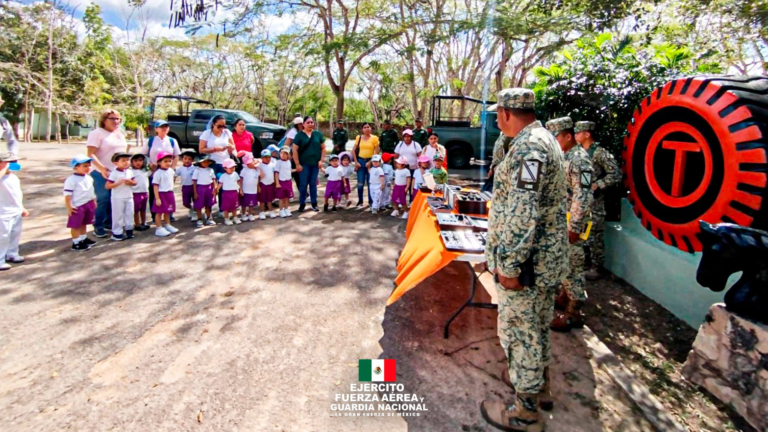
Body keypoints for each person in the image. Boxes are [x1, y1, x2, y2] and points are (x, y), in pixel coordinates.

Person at [480, 88, 568, 431]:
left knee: (520, 332)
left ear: (504, 113)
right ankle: (537, 385)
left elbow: (521, 212)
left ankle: (525, 412)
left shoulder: (529, 148)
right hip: (544, 261)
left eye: (496, 115)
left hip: (527, 266)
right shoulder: (544, 139)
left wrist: (510, 267)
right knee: (537, 327)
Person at [547, 117, 594, 333]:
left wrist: (574, 226)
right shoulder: (565, 155)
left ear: (567, 136)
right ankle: (564, 298)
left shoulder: (580, 160)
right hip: (562, 219)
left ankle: (573, 314)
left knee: (573, 268)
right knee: (564, 265)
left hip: (572, 223)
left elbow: (583, 196)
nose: (554, 141)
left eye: (556, 137)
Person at [575, 121, 621, 280]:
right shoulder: (578, 152)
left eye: (578, 132)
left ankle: (596, 267)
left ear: (587, 134)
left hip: (595, 202)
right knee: (580, 233)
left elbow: (615, 173)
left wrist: (599, 184)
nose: (575, 135)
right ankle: (585, 262)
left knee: (595, 235)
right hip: (580, 200)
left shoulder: (600, 153)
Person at [86, 109, 129, 238]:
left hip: (118, 172)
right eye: (112, 118)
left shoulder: (120, 133)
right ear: (104, 120)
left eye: (118, 119)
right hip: (101, 172)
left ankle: (109, 223)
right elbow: (90, 153)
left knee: (114, 198)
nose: (116, 121)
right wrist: (102, 168)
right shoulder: (97, 133)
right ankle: (98, 225)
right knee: (103, 198)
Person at [291, 116, 326, 212]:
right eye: (308, 122)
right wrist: (297, 164)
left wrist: (321, 161)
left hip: (315, 164)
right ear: (303, 124)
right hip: (304, 165)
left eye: (312, 122)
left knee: (313, 184)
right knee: (303, 185)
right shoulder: (299, 136)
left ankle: (314, 204)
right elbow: (294, 150)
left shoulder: (318, 134)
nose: (311, 124)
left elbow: (323, 148)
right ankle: (302, 204)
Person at [64, 155, 98, 252]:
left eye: (89, 165)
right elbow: (67, 194)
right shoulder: (71, 180)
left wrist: (93, 201)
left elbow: (91, 191)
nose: (88, 168)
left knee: (84, 223)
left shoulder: (89, 178)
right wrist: (69, 206)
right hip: (77, 206)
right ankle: (76, 243)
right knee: (76, 225)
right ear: (76, 167)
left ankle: (83, 238)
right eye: (85, 166)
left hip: (88, 203)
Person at [0, 153, 27, 270]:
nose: (13, 165)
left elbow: (16, 195)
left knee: (15, 233)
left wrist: (21, 207)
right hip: (3, 213)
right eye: (10, 162)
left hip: (15, 211)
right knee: (3, 236)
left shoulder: (14, 178)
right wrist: (4, 169)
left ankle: (12, 253)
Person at [105, 153, 136, 241]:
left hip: (129, 196)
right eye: (123, 161)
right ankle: (117, 233)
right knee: (117, 215)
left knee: (129, 213)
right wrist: (118, 182)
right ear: (116, 163)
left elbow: (135, 182)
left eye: (127, 160)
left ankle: (129, 229)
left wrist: (130, 182)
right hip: (117, 197)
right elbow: (107, 186)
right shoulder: (114, 173)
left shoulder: (129, 171)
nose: (126, 162)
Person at [351, 122, 380, 209]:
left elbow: (377, 151)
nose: (367, 128)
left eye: (368, 127)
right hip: (360, 161)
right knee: (360, 183)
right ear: (362, 129)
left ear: (371, 128)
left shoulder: (374, 138)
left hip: (370, 162)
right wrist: (356, 162)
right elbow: (353, 150)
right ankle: (360, 201)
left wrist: (371, 162)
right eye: (365, 127)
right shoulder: (358, 138)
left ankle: (371, 202)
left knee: (370, 182)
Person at [151, 152, 178, 238]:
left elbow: (172, 179)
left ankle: (167, 225)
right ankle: (158, 228)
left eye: (169, 161)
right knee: (159, 212)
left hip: (169, 193)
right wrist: (157, 198)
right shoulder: (158, 173)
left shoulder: (171, 171)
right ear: (159, 162)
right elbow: (155, 186)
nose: (168, 163)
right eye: (165, 161)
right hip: (161, 194)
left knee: (168, 211)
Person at [394, 129, 422, 201]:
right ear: (403, 137)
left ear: (411, 137)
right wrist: (396, 167)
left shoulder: (416, 145)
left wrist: (420, 167)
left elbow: (420, 156)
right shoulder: (400, 145)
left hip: (413, 169)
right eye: (405, 136)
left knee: (412, 186)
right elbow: (396, 156)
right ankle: (401, 201)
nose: (407, 138)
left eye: (409, 136)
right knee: (403, 185)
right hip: (402, 169)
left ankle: (411, 201)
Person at [192, 156, 218, 227]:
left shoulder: (211, 170)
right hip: (200, 188)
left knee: (209, 204)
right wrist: (195, 192)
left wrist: (214, 188)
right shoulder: (197, 170)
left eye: (207, 161)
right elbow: (194, 182)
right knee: (199, 205)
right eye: (204, 161)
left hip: (209, 188)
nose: (206, 163)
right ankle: (199, 219)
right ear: (200, 162)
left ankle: (209, 218)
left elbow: (213, 180)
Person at [217, 159, 242, 225]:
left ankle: (235, 217)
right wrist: (216, 190)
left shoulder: (235, 174)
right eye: (230, 167)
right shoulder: (223, 176)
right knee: (226, 207)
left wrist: (240, 189)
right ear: (225, 168)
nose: (232, 169)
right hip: (226, 193)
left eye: (233, 167)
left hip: (234, 193)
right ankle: (226, 218)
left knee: (234, 206)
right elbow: (220, 184)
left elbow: (238, 182)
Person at [130, 154, 151, 231]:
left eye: (140, 160)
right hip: (135, 192)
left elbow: (152, 168)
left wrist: (150, 165)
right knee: (136, 210)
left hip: (145, 192)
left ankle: (143, 222)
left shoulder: (145, 170)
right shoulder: (130, 171)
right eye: (135, 161)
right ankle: (137, 224)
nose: (138, 162)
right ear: (132, 162)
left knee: (143, 209)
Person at [176, 150, 197, 221]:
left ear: (192, 160)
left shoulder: (195, 168)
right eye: (185, 158)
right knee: (185, 202)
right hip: (185, 187)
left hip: (194, 187)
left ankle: (195, 213)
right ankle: (191, 209)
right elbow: (174, 175)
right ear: (182, 159)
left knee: (196, 200)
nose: (187, 161)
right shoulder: (180, 169)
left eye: (189, 159)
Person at [284, 116, 304, 191]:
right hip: (291, 156)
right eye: (302, 124)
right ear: (299, 124)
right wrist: (288, 154)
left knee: (294, 175)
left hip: (294, 156)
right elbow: (286, 144)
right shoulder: (293, 132)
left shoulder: (297, 132)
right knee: (293, 175)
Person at [239, 152, 261, 221]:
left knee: (251, 203)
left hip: (253, 190)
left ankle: (250, 214)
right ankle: (243, 214)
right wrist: (240, 189)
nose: (248, 164)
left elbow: (257, 179)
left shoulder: (256, 170)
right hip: (245, 190)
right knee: (244, 203)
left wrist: (258, 187)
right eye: (247, 163)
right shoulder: (244, 170)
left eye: (250, 162)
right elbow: (240, 180)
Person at [275, 147, 295, 217]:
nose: (283, 155)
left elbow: (289, 171)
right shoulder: (278, 163)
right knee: (281, 198)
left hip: (288, 182)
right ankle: (281, 210)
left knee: (287, 197)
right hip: (281, 182)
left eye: (285, 153)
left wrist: (296, 170)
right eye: (281, 153)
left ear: (288, 155)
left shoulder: (289, 162)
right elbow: (276, 173)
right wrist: (277, 183)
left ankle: (286, 209)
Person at [258, 149, 277, 219]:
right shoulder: (259, 166)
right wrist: (258, 186)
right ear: (262, 158)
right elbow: (258, 177)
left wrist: (275, 183)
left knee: (270, 199)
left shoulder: (273, 165)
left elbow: (275, 175)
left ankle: (271, 211)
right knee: (262, 200)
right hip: (262, 184)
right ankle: (262, 212)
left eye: (269, 157)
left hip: (271, 184)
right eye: (265, 157)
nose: (268, 159)